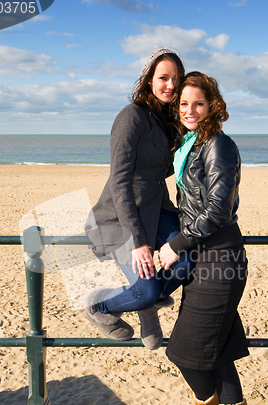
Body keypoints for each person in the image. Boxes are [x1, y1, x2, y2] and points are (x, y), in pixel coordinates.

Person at [159, 72, 252, 405]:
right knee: (216, 353)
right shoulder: (188, 145)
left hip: (220, 258)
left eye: (197, 103)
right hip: (202, 258)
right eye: (183, 105)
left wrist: (175, 244)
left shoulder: (219, 145)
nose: (189, 111)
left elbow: (216, 210)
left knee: (186, 351)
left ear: (213, 105)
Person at [84, 48, 193, 350]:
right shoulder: (131, 117)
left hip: (158, 210)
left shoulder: (169, 121)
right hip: (121, 218)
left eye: (176, 79)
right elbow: (119, 180)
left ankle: (148, 301)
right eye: (163, 78)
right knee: (145, 291)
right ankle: (102, 307)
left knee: (188, 258)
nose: (170, 85)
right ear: (148, 81)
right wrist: (139, 242)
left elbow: (162, 170)